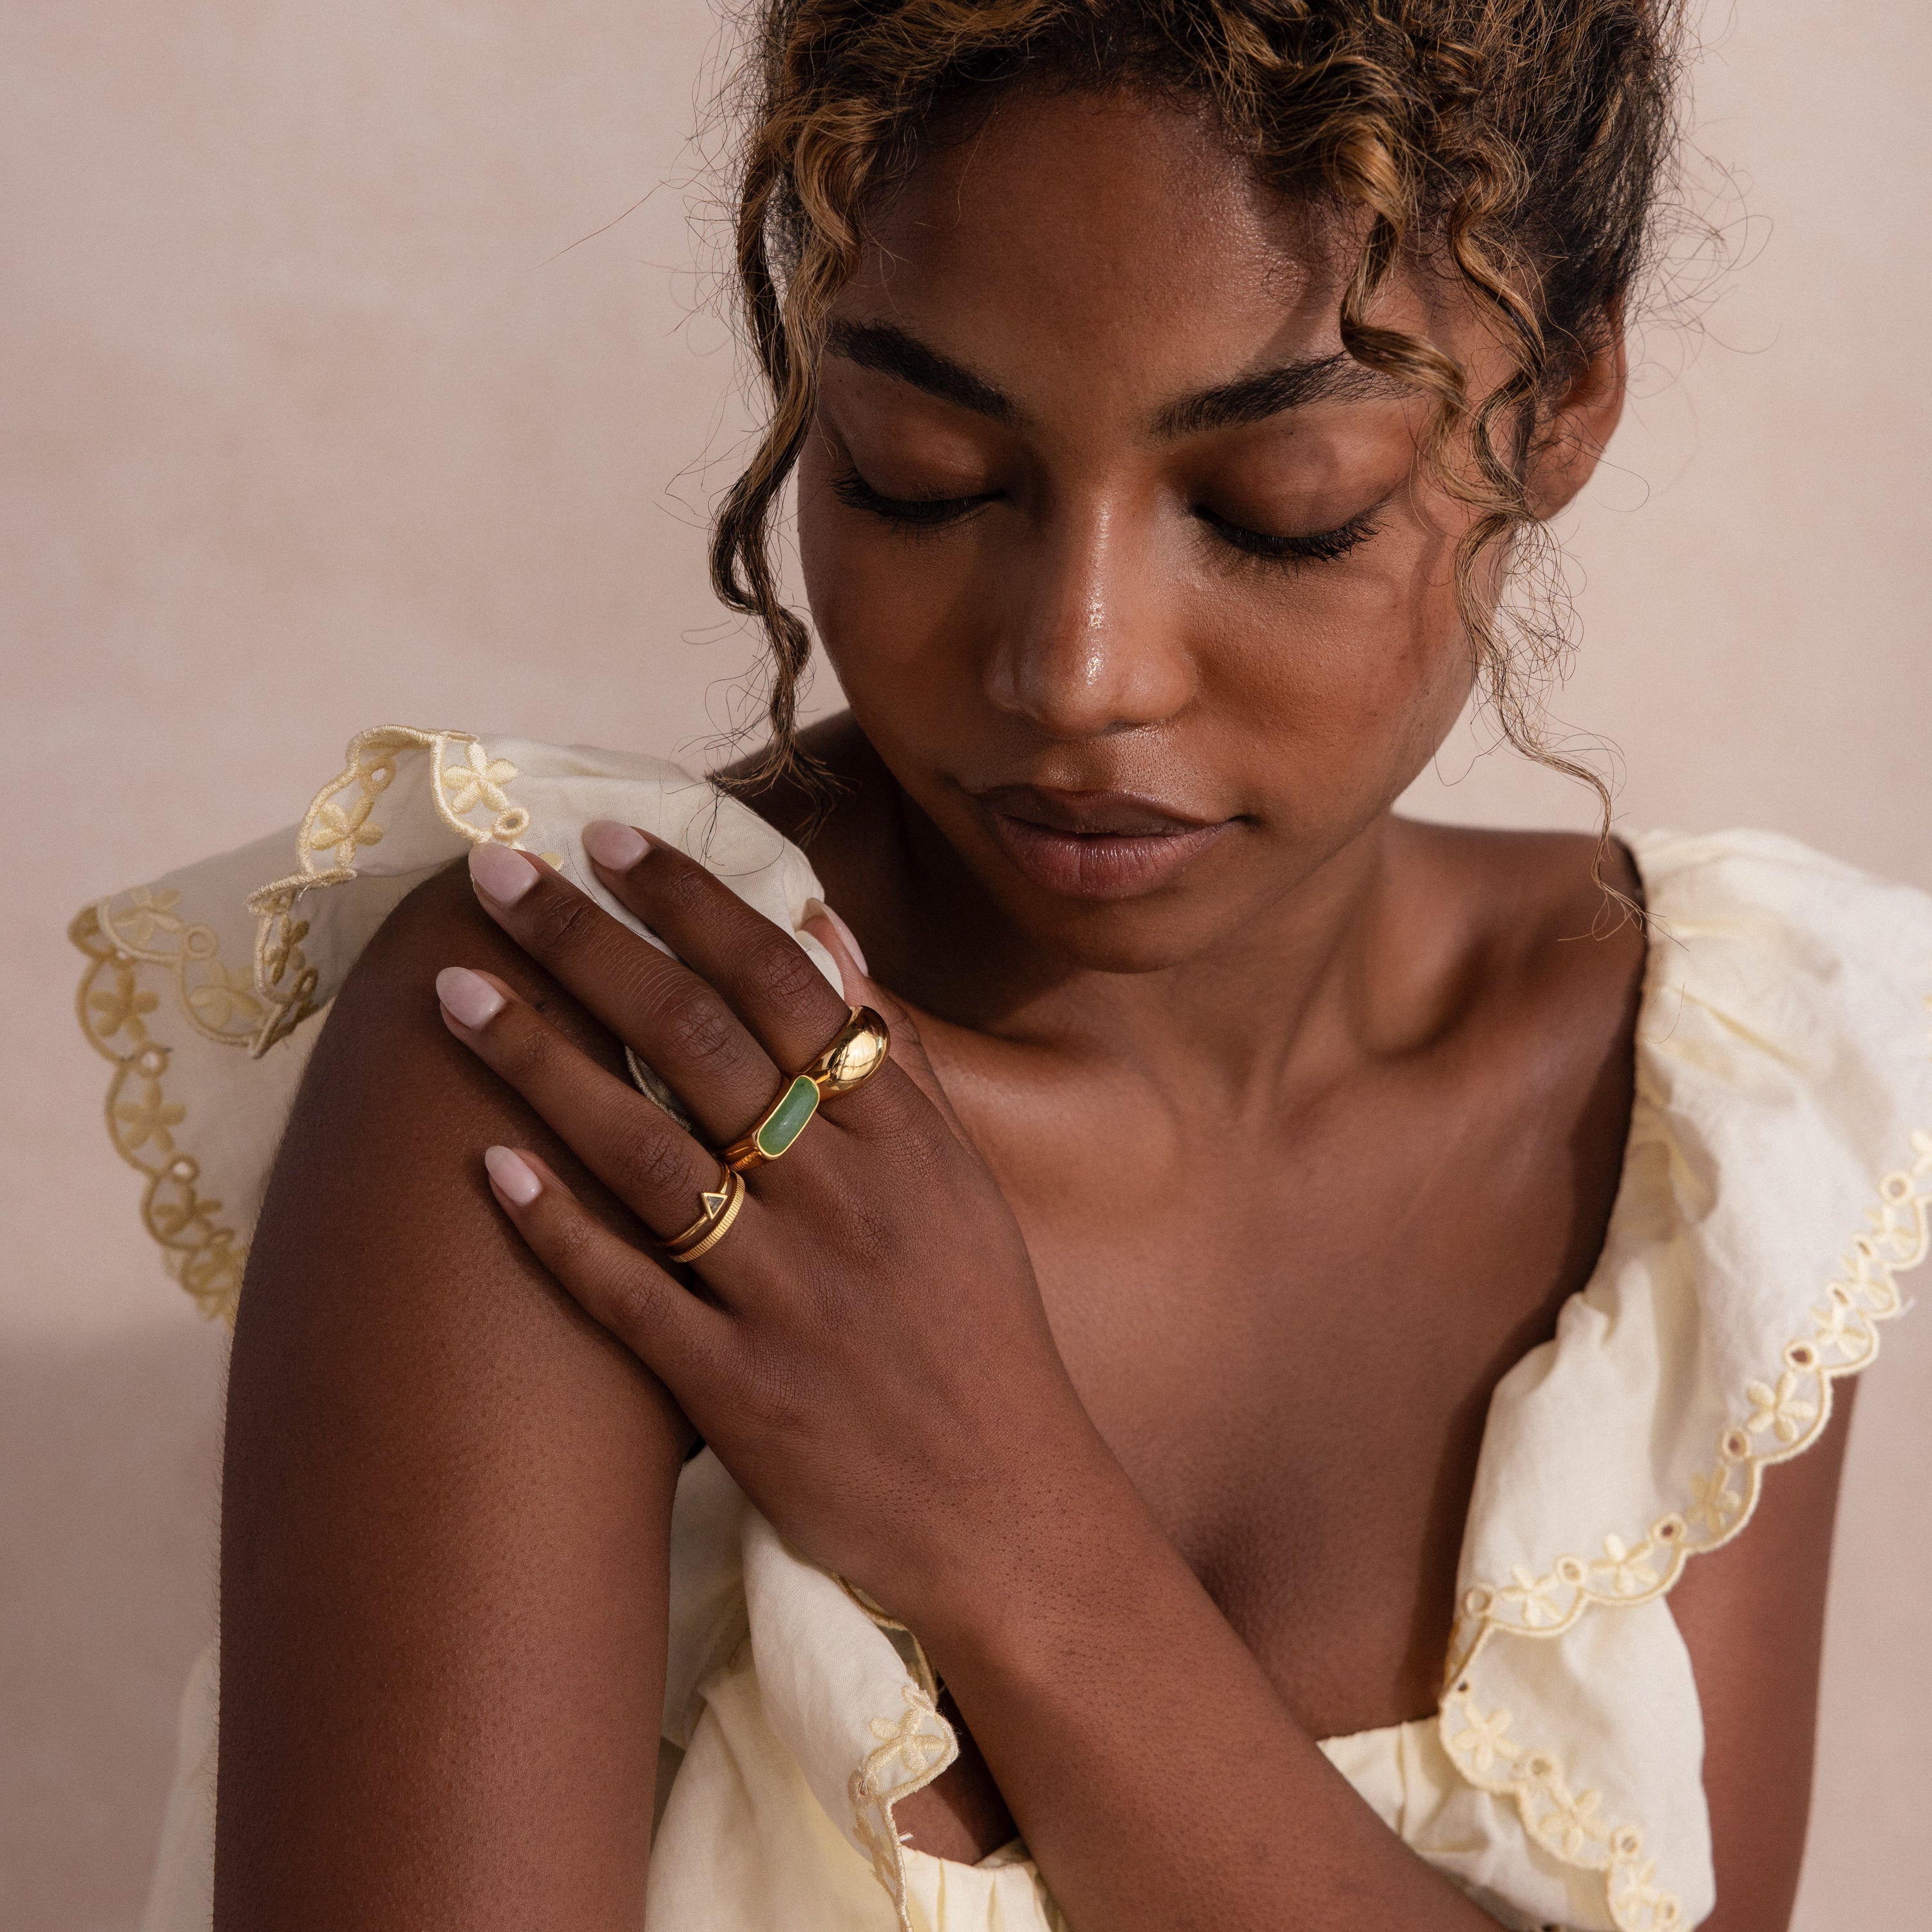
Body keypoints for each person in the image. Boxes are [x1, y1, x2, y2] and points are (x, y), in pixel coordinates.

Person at [68, 4, 1932, 1929]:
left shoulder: (1716, 1114)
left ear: (1559, 414)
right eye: (922, 472)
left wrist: (1009, 1524)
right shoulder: (604, 1055)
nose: (1080, 667)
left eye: (1279, 510)